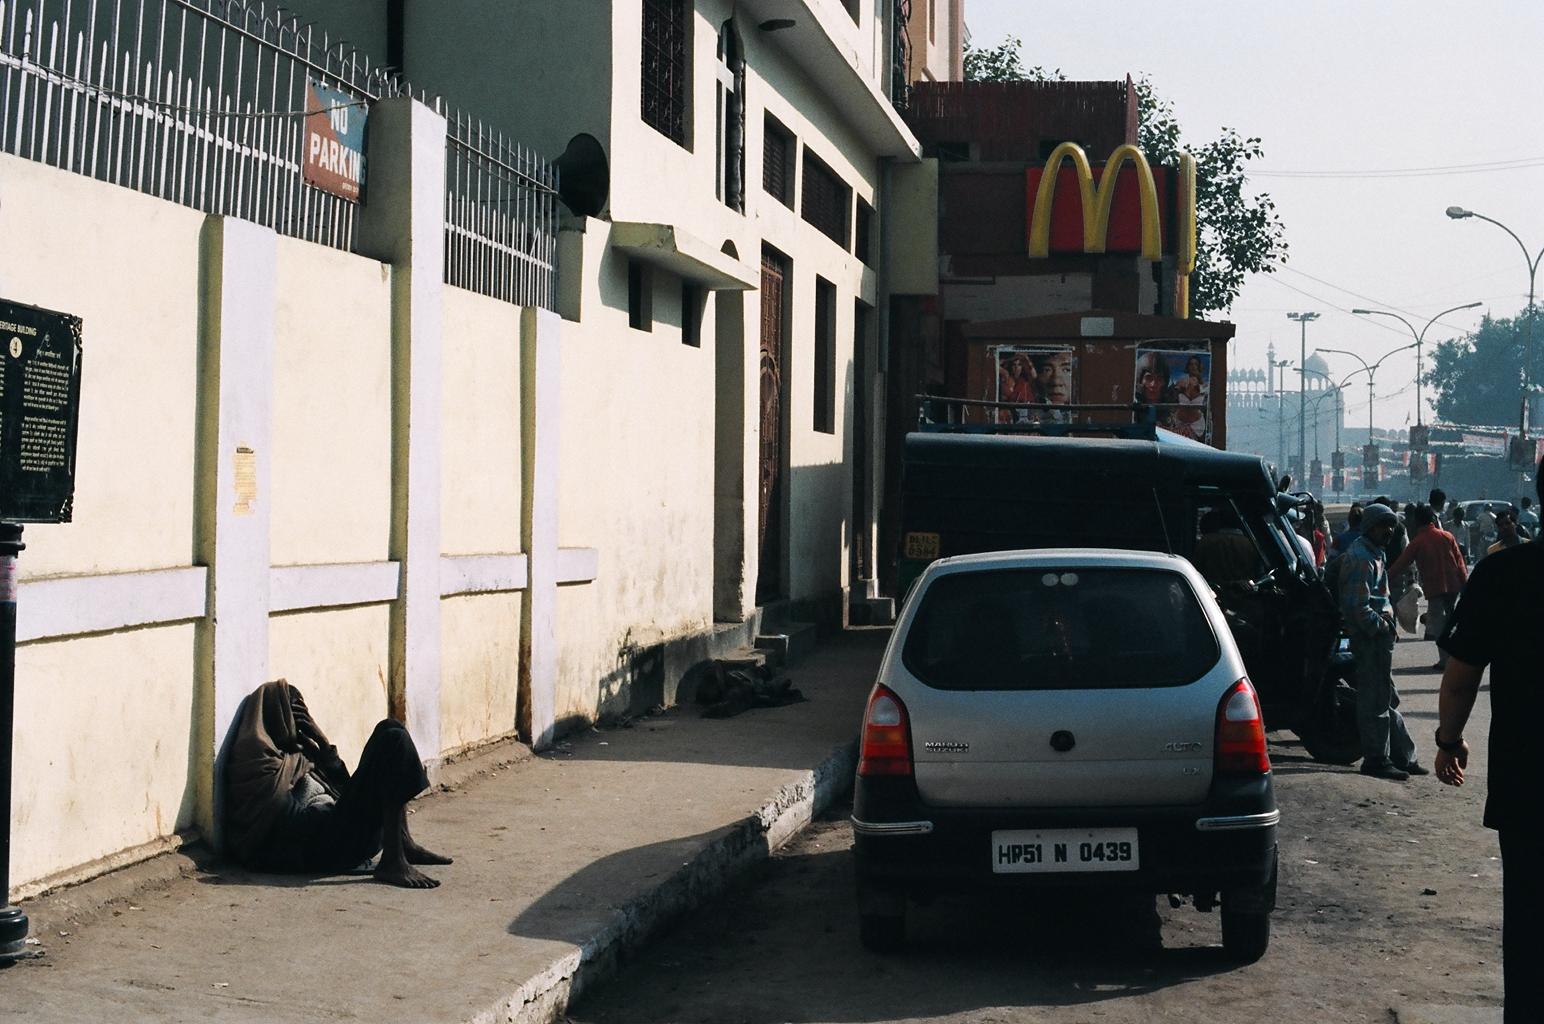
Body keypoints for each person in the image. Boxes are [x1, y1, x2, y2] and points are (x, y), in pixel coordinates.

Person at [1433, 458, 1544, 1023]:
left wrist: (1448, 741)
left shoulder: (1503, 574)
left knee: (1530, 924)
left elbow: (1460, 676)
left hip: (1529, 787)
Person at [223, 680, 453, 889]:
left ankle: (403, 842)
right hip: (315, 848)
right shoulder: (257, 762)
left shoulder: (297, 756)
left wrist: (323, 746)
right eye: (295, 714)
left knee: (390, 727)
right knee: (393, 741)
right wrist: (328, 806)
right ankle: (392, 860)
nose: (300, 723)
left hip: (332, 834)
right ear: (276, 716)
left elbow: (344, 791)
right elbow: (283, 824)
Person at [1337, 502, 1424, 781]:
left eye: (1390, 526)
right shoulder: (1362, 558)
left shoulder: (1375, 554)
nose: (1388, 531)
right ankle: (1376, 758)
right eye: (1382, 526)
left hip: (1379, 639)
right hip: (1370, 639)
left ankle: (1402, 756)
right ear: (1369, 527)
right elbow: (1356, 607)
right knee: (1375, 702)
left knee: (1386, 698)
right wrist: (1382, 627)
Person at [1387, 504, 1468, 669]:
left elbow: (1401, 564)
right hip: (1453, 586)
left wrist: (1383, 579)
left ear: (1416, 521)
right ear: (1432, 519)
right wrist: (1465, 585)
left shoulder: (1418, 542)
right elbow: (1460, 564)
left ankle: (1445, 660)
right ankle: (1455, 657)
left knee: (1438, 624)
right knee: (1451, 622)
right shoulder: (1447, 536)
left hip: (1435, 587)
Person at [1191, 506, 1259, 585]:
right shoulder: (1251, 544)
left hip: (1213, 592)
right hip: (1245, 593)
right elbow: (1257, 572)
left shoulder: (1206, 541)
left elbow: (1195, 570)